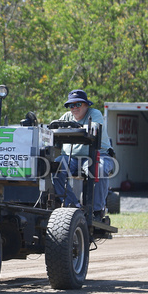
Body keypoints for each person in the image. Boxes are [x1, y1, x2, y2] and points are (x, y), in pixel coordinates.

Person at [52, 89, 114, 220]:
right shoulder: (66, 117)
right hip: (71, 157)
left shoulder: (94, 113)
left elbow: (93, 129)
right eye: (71, 105)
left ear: (86, 105)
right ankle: (73, 206)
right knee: (54, 167)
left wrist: (73, 128)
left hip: (98, 154)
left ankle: (97, 210)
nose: (74, 108)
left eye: (78, 104)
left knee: (99, 169)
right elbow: (53, 128)